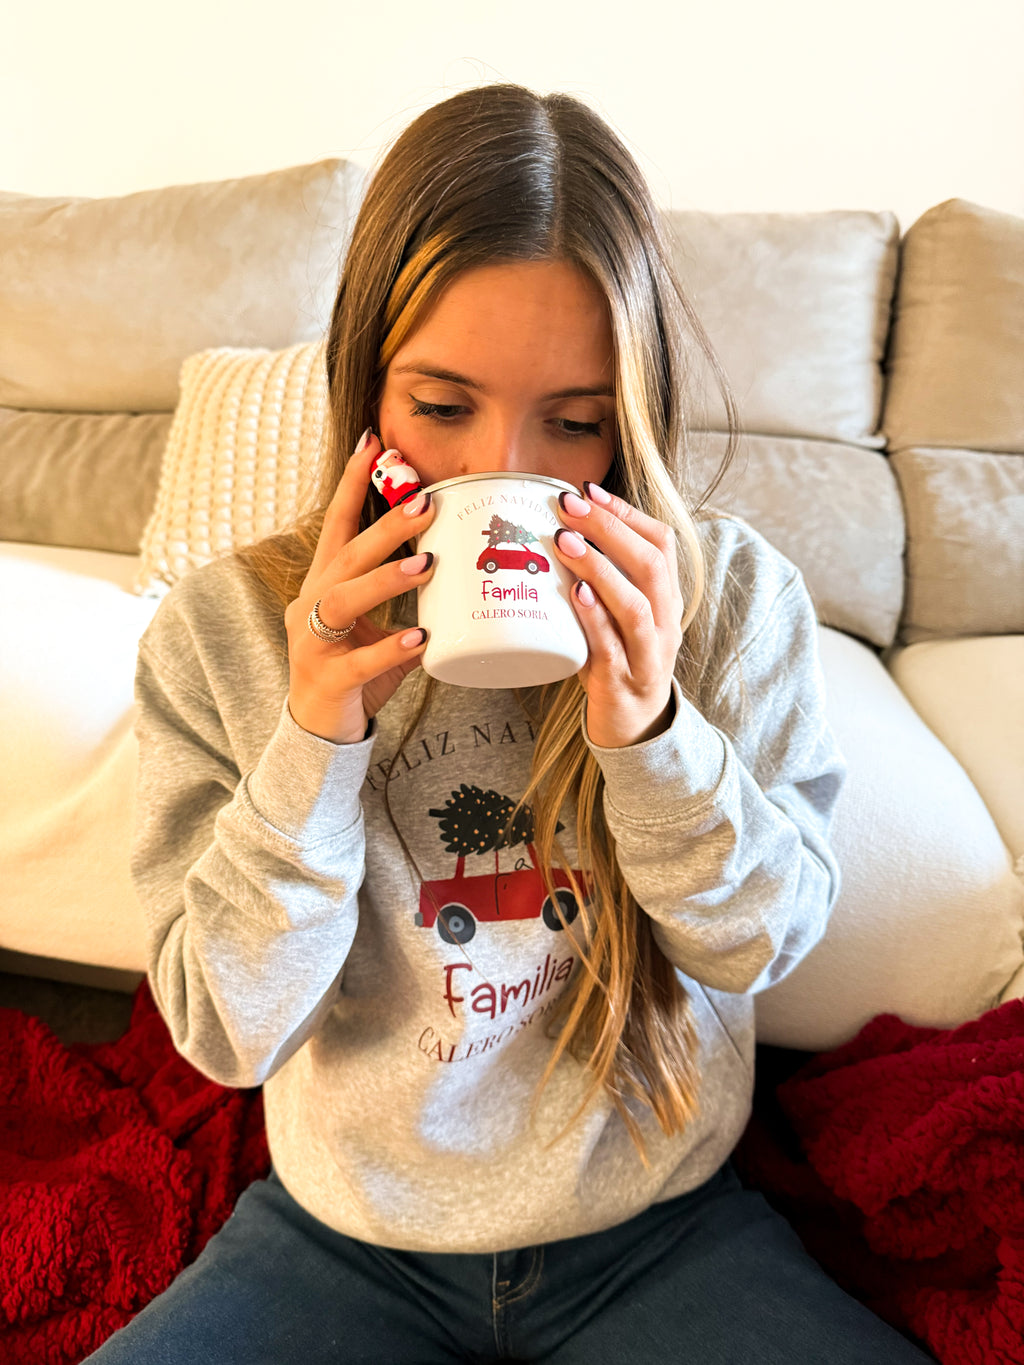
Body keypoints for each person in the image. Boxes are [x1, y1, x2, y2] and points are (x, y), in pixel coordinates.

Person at [86, 84, 933, 1364]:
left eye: (575, 423)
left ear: (632, 413)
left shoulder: (729, 599)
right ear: (364, 385)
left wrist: (651, 731)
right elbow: (224, 1033)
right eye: (441, 407)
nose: (499, 467)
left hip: (659, 1229)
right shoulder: (229, 629)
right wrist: (316, 732)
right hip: (344, 1234)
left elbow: (756, 945)